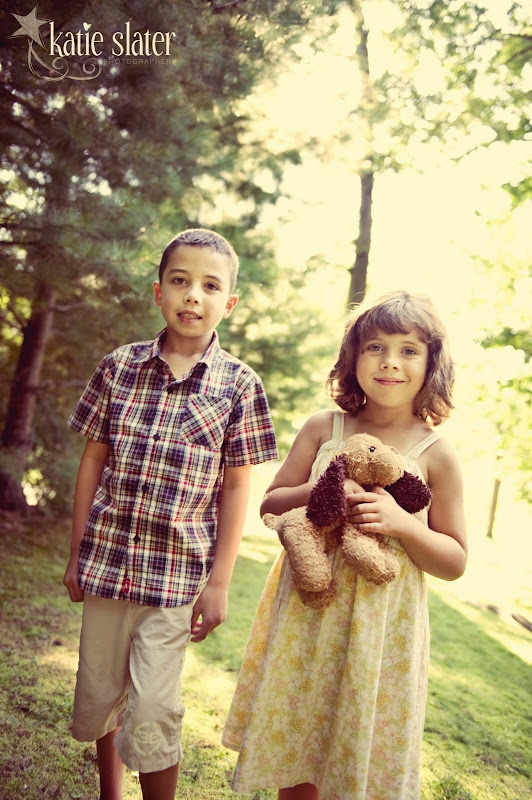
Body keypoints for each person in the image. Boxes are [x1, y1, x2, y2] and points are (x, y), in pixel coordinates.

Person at [222, 291, 467, 800]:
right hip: (308, 616)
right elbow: (270, 505)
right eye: (375, 347)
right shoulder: (324, 427)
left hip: (381, 630)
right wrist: (322, 489)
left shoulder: (436, 454)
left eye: (408, 350)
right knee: (299, 743)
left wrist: (403, 525)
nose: (390, 362)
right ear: (353, 357)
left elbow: (455, 561)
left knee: (350, 754)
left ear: (432, 364)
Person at [63, 228, 278, 800]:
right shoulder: (119, 367)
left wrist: (220, 582)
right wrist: (76, 553)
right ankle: (110, 793)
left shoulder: (239, 385)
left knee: (155, 707)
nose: (193, 296)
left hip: (177, 577)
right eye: (180, 281)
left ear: (229, 303)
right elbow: (92, 460)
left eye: (210, 286)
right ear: (158, 291)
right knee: (101, 693)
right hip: (107, 565)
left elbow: (237, 488)